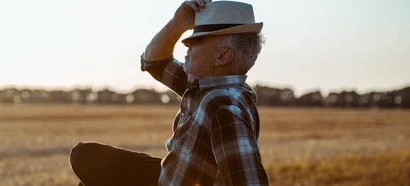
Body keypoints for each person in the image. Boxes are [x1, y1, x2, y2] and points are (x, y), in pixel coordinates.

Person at [69, 0, 269, 185]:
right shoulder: (203, 84)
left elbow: (249, 182)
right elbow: (154, 62)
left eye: (198, 41)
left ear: (223, 56)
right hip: (169, 176)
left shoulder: (225, 107)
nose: (186, 44)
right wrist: (177, 24)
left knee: (84, 156)